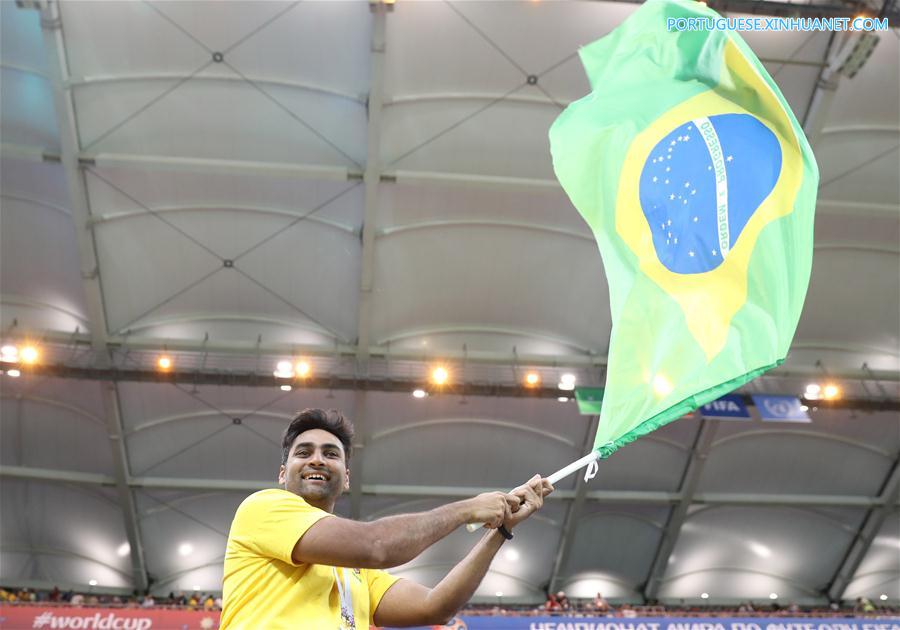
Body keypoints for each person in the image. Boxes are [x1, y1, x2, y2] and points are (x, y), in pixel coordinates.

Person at [220, 408, 553, 629]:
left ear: (346, 477)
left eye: (331, 454)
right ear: (283, 473)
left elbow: (435, 606)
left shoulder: (356, 572)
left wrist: (500, 530)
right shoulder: (262, 508)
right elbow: (376, 546)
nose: (317, 460)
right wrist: (468, 509)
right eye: (304, 452)